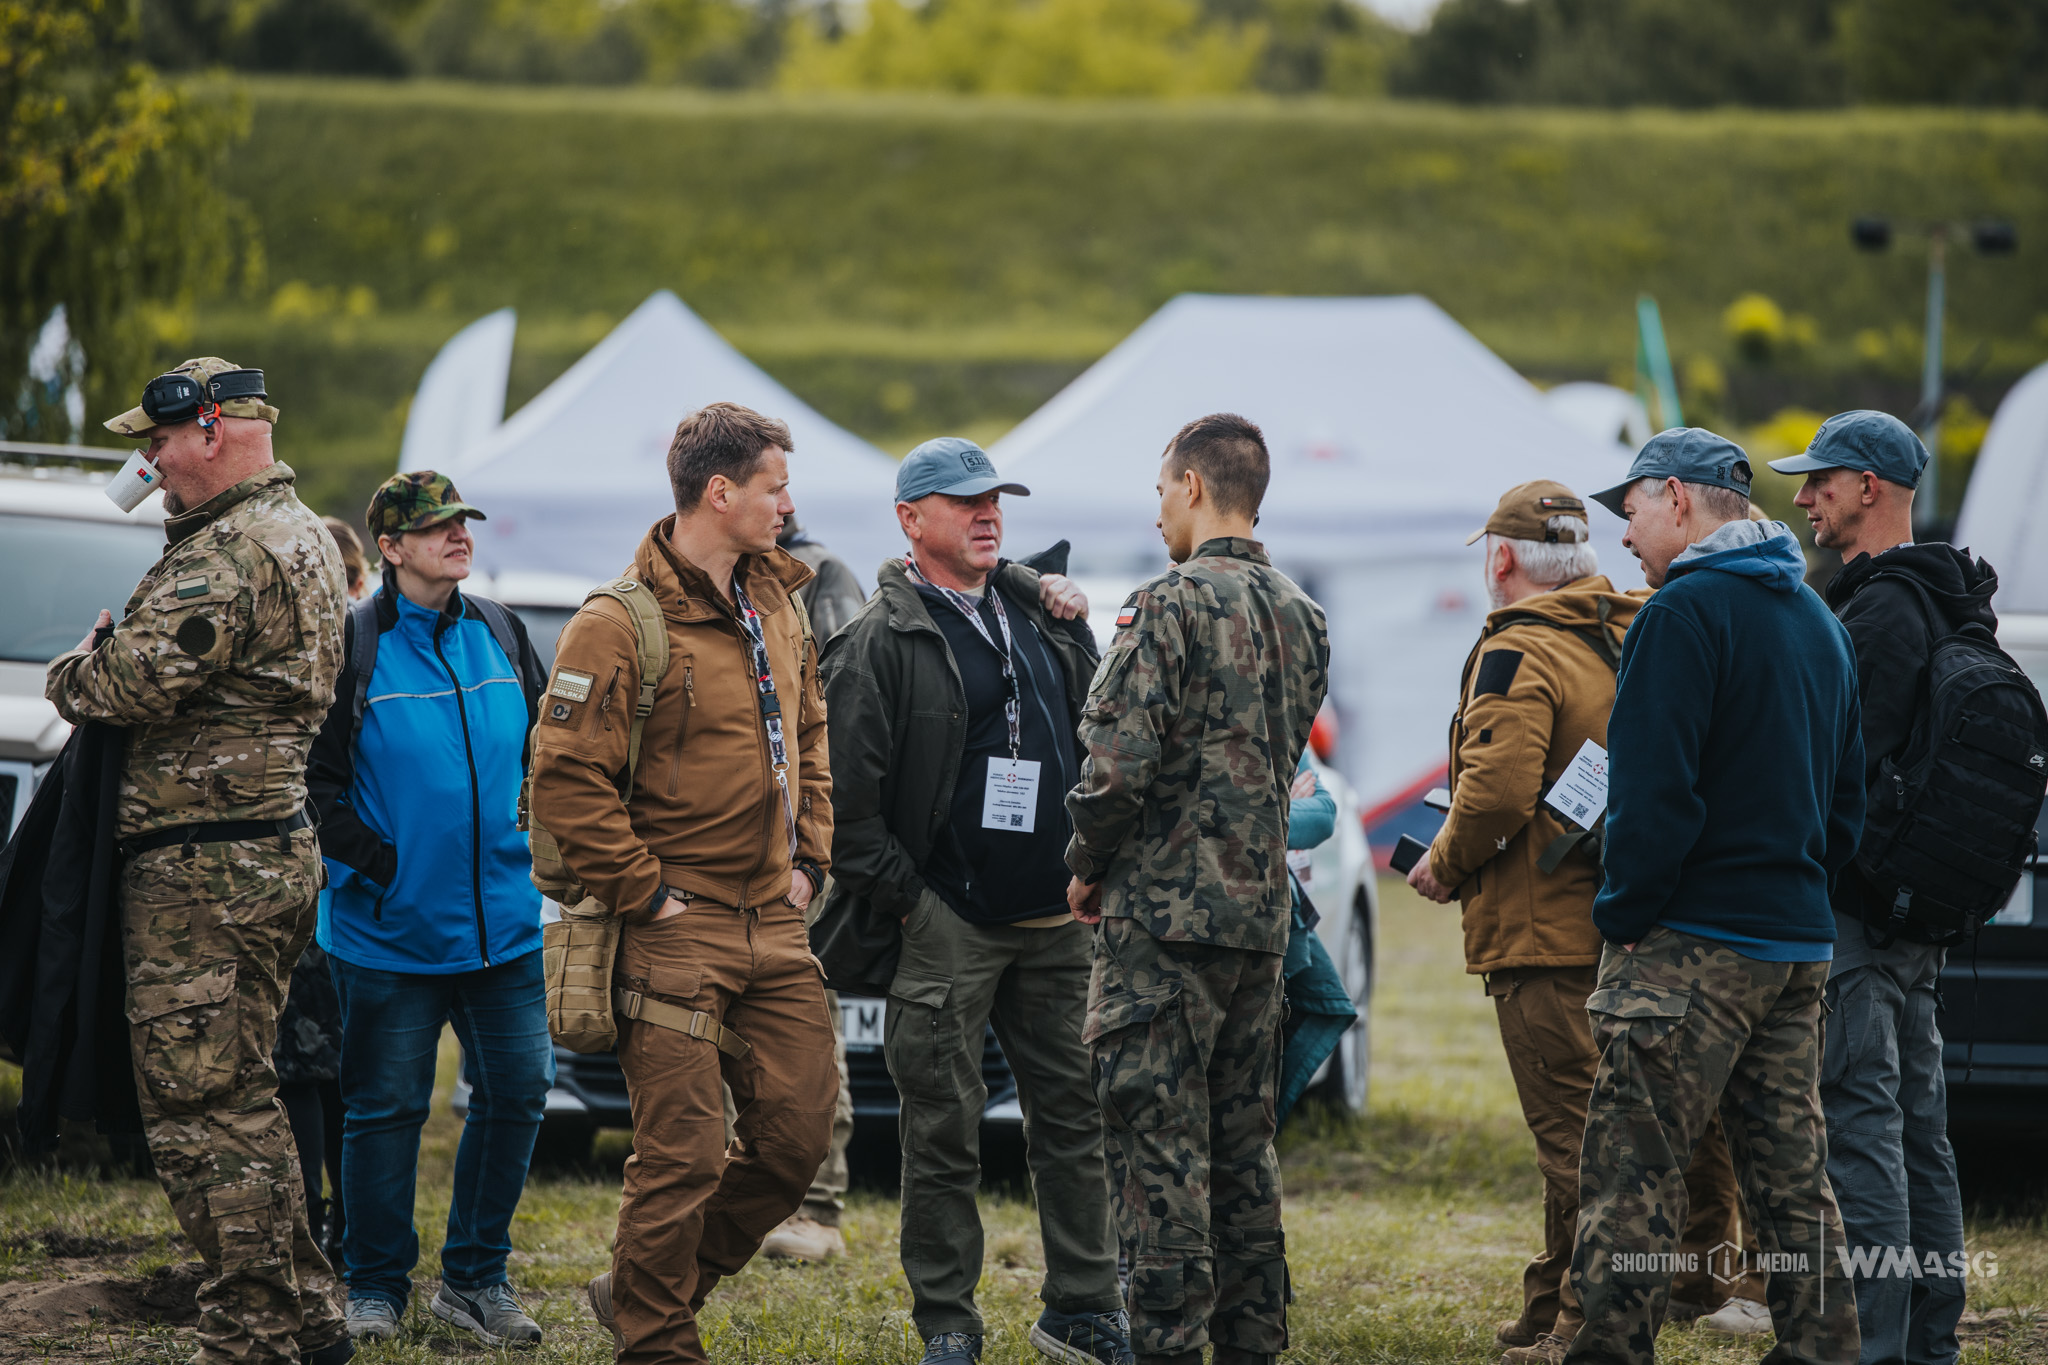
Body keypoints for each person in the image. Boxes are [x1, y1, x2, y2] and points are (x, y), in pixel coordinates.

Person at [1405, 480, 1767, 1365]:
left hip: (1543, 932)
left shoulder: (1518, 649)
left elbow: (1494, 791)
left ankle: (1581, 1313)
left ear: (1501, 559)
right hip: (1645, 919)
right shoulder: (1642, 623)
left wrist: (1441, 863)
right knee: (1687, 1117)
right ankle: (1688, 1274)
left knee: (1578, 1132)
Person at [45, 357, 352, 1365]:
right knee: (242, 1092)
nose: (150, 462)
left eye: (160, 441)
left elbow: (127, 683)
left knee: (201, 1110)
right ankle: (303, 1311)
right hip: (260, 851)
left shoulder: (229, 549)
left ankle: (253, 1326)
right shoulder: (302, 533)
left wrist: (75, 665)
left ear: (211, 430)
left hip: (202, 874)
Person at [529, 402, 837, 1365]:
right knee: (686, 1153)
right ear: (721, 492)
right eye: (775, 486)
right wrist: (646, 894)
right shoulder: (617, 621)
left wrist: (812, 859)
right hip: (671, 928)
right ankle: (659, 1341)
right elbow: (565, 777)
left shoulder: (780, 603)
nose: (788, 504)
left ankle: (635, 1291)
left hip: (774, 923)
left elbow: (814, 737)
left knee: (795, 1139)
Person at [817, 437, 1124, 1365]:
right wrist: (920, 909)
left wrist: (1069, 614)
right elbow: (848, 814)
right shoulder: (878, 640)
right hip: (948, 922)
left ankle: (1081, 1307)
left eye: (996, 499)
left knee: (1076, 1123)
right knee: (941, 1135)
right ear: (911, 520)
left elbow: (1094, 730)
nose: (988, 512)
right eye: (963, 501)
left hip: (1056, 918)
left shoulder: (1039, 613)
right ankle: (948, 1322)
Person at [1568, 429, 1864, 1365]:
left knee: (1632, 1179)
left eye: (1632, 511)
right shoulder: (1817, 618)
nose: (1623, 534)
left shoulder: (1683, 613)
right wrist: (1800, 883)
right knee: (1792, 1180)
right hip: (1795, 945)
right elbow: (1848, 800)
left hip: (1687, 945)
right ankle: (1824, 1350)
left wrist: (1621, 912)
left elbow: (1654, 795)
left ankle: (1608, 1352)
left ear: (1679, 499)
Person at [1066, 413, 1330, 1365]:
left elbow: (1114, 766)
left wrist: (1087, 864)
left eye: (1159, 492)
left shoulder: (1167, 603)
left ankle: (1170, 1348)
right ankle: (1251, 1347)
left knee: (1158, 1154)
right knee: (1242, 1155)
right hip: (1257, 922)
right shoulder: (1303, 613)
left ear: (1188, 486)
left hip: (1162, 924)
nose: (1159, 512)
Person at [306, 472, 553, 1346]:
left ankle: (475, 1277)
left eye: (461, 521)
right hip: (389, 931)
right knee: (385, 1107)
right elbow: (314, 784)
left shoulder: (502, 631)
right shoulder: (350, 649)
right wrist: (382, 866)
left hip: (507, 928)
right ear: (391, 547)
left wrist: (537, 846)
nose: (457, 535)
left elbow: (545, 755)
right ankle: (373, 1284)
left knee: (522, 1089)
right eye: (435, 525)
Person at [1771, 411, 1983, 1365]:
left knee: (1864, 1133)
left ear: (1869, 487)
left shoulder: (1881, 607)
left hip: (1861, 913)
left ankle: (1880, 1348)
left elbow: (1840, 764)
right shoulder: (1944, 597)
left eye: (1821, 481)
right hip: (1913, 912)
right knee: (1918, 1133)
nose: (1805, 497)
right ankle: (1930, 1339)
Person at [758, 512, 869, 1265]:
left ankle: (818, 1206)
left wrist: (816, 855)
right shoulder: (706, 578)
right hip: (721, 855)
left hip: (797, 852)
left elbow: (843, 712)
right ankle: (747, 1198)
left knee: (805, 1028)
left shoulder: (818, 573)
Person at [274, 516, 372, 1268]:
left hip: (318, 878)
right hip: (338, 881)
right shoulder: (359, 648)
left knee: (308, 1068)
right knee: (330, 1070)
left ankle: (319, 1217)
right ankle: (335, 1221)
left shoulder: (323, 649)